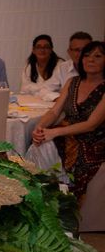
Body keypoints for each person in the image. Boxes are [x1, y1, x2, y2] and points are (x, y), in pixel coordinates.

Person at [32, 41, 105, 201]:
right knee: (38, 145)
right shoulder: (72, 82)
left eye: (97, 56)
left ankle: (64, 203)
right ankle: (42, 199)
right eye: (86, 55)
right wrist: (40, 127)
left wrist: (54, 132)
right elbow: (54, 111)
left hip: (93, 139)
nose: (90, 60)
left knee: (77, 161)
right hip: (66, 133)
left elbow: (91, 124)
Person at [37, 31, 93, 101]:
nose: (81, 53)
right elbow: (44, 91)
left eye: (85, 50)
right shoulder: (63, 68)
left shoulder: (100, 70)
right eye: (77, 50)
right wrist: (61, 99)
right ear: (69, 52)